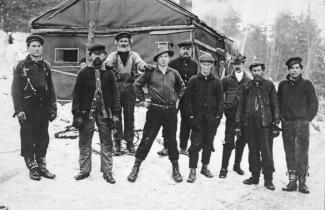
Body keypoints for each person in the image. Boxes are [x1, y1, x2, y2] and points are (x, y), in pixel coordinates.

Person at [127, 46, 185, 183]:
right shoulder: (151, 72)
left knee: (171, 140)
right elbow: (136, 85)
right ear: (157, 59)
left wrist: (177, 99)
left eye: (166, 56)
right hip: (155, 111)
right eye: (161, 57)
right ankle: (135, 167)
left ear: (169, 58)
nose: (164, 59)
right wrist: (142, 100)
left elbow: (182, 87)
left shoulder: (174, 73)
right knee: (147, 139)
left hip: (170, 111)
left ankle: (175, 168)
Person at [72, 43, 120, 184]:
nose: (98, 56)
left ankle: (107, 171)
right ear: (90, 56)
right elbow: (77, 95)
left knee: (107, 142)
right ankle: (84, 170)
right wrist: (77, 114)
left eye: (101, 54)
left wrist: (116, 113)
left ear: (105, 56)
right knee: (85, 141)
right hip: (87, 113)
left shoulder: (109, 73)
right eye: (95, 54)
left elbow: (115, 95)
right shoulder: (83, 73)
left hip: (105, 114)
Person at [11, 34, 57, 181]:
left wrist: (53, 107)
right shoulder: (21, 66)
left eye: (39, 46)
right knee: (28, 137)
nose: (37, 49)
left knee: (43, 137)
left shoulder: (46, 66)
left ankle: (42, 165)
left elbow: (51, 88)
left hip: (43, 107)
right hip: (27, 109)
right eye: (34, 46)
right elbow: (15, 89)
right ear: (28, 48)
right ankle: (32, 166)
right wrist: (19, 110)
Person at [236, 62, 280, 190]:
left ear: (263, 71)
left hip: (265, 124)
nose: (256, 73)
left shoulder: (269, 85)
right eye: (254, 71)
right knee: (253, 151)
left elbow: (275, 104)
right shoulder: (247, 85)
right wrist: (238, 123)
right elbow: (241, 105)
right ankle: (254, 177)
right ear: (251, 72)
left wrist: (276, 123)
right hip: (250, 124)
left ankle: (268, 179)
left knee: (267, 152)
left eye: (259, 70)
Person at [278, 57, 318, 194]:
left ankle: (302, 182)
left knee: (301, 152)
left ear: (301, 69)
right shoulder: (283, 85)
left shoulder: (307, 84)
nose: (294, 70)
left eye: (297, 68)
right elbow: (278, 102)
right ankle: (292, 181)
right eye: (292, 68)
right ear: (288, 70)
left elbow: (314, 103)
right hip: (287, 123)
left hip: (302, 123)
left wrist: (307, 119)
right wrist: (282, 118)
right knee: (289, 151)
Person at [105, 32, 148, 155]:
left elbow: (140, 64)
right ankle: (117, 142)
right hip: (116, 88)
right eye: (121, 41)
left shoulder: (134, 55)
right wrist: (109, 65)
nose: (123, 43)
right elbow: (108, 63)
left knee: (129, 115)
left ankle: (129, 142)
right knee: (116, 115)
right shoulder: (113, 55)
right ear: (116, 43)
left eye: (126, 41)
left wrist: (145, 67)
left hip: (130, 88)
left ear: (130, 43)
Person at [185, 54, 224, 183]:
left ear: (212, 66)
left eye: (209, 64)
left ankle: (205, 167)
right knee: (195, 145)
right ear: (200, 64)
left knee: (208, 145)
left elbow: (220, 102)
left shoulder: (217, 82)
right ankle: (192, 170)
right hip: (197, 120)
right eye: (204, 64)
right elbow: (188, 100)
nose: (206, 67)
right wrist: (190, 117)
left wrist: (218, 118)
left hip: (211, 120)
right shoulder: (193, 80)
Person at [157, 40, 198, 157]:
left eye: (188, 49)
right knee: (169, 121)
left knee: (187, 122)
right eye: (184, 49)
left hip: (188, 98)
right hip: (174, 97)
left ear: (191, 50)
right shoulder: (173, 63)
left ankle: (183, 147)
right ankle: (166, 147)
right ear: (180, 50)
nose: (186, 51)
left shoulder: (194, 64)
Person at [219, 54, 251, 178]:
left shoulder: (248, 80)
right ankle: (223, 168)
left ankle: (237, 165)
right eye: (235, 64)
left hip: (244, 115)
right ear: (233, 65)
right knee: (228, 141)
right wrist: (223, 108)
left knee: (242, 141)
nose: (238, 66)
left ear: (243, 64)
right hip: (231, 114)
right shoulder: (226, 79)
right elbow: (219, 96)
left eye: (240, 63)